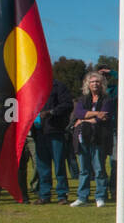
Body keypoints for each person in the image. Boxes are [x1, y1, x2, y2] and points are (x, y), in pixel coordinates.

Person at [70, 72, 113, 207]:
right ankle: (82, 197)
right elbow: (79, 113)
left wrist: (83, 120)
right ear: (88, 84)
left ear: (102, 84)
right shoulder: (82, 100)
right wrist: (94, 115)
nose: (95, 84)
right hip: (83, 137)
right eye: (92, 81)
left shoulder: (107, 100)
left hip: (99, 138)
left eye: (98, 81)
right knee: (84, 169)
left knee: (99, 168)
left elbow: (104, 117)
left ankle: (100, 196)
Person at [33, 76, 73, 204]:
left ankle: (62, 195)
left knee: (59, 164)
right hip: (39, 131)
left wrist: (51, 112)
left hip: (55, 130)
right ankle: (44, 194)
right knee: (42, 165)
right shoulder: (33, 87)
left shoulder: (58, 86)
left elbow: (68, 105)